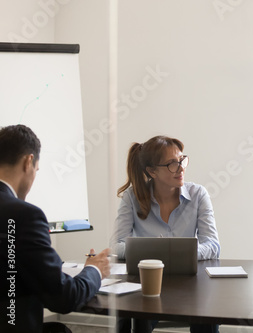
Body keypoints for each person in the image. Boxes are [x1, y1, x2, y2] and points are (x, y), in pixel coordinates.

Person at [0, 124, 111, 333]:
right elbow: (63, 298)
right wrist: (95, 270)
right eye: (37, 171)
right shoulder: (25, 215)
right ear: (28, 162)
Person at [110, 135, 220, 333]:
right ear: (152, 171)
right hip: (146, 283)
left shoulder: (198, 194)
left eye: (182, 160)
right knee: (129, 315)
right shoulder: (132, 197)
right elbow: (117, 245)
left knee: (207, 315)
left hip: (190, 283)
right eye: (171, 164)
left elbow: (212, 245)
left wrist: (174, 254)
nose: (181, 168)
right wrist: (158, 257)